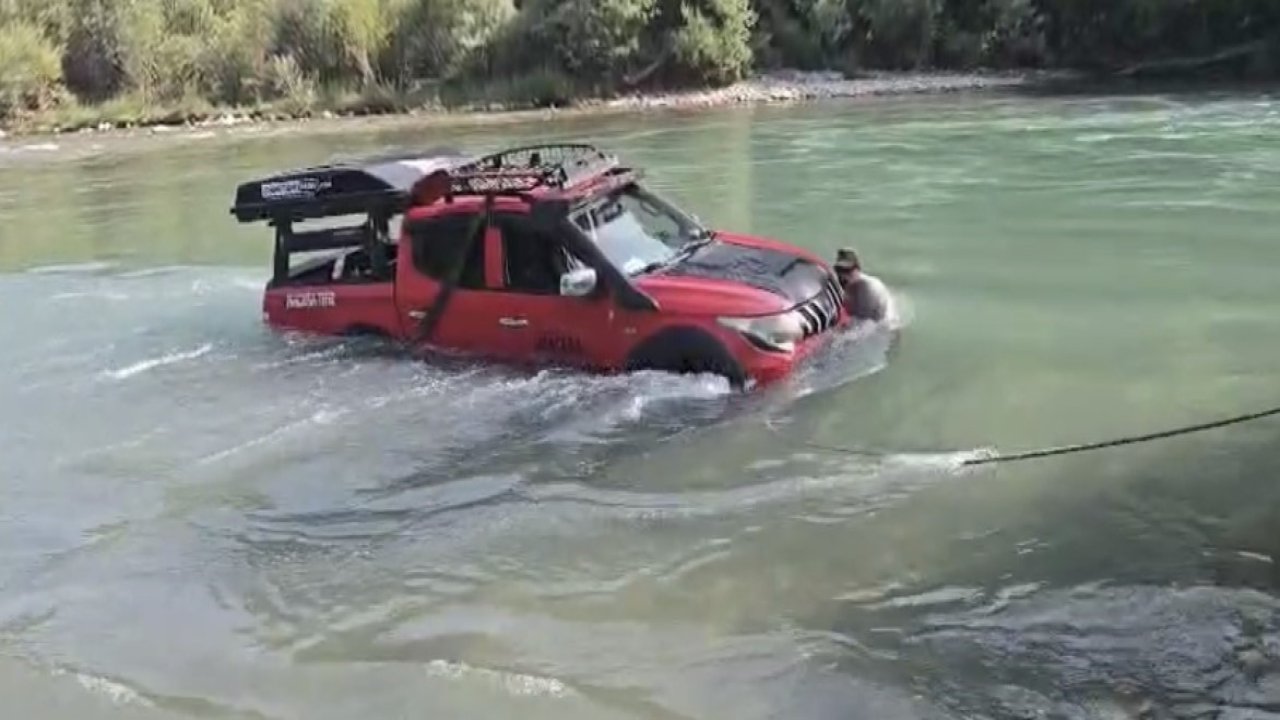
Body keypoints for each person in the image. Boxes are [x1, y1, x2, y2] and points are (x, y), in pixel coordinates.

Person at [833, 247, 892, 324]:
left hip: (882, 323)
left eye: (847, 271)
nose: (843, 275)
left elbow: (868, 322)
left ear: (857, 269)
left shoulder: (871, 288)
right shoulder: (842, 285)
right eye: (839, 270)